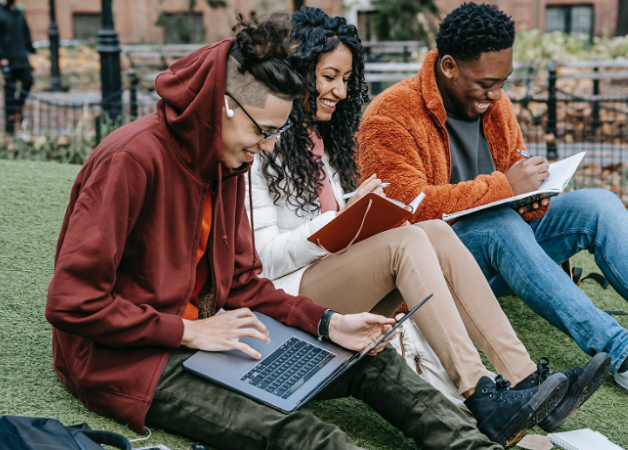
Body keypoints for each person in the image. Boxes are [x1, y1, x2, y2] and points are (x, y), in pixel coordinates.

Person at [45, 14, 506, 450]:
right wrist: (188, 331)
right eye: (262, 130)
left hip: (218, 336)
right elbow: (71, 302)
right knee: (306, 436)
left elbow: (245, 283)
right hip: (130, 362)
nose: (265, 147)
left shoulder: (227, 161)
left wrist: (329, 323)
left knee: (371, 357)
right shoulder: (129, 160)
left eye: (276, 131)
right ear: (223, 108)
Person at [357, 2, 628, 422]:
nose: (495, 95)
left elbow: (512, 168)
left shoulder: (494, 103)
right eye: (486, 83)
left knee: (598, 204)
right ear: (449, 66)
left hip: (506, 245)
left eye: (502, 83)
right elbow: (401, 213)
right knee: (497, 224)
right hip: (441, 266)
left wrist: (531, 196)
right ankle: (627, 358)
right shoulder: (390, 115)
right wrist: (505, 188)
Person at [246, 8, 609, 448]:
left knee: (434, 232)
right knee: (407, 241)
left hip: (333, 273)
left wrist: (360, 214)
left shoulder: (329, 140)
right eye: (328, 77)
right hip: (287, 297)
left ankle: (522, 379)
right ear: (298, 71)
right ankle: (480, 393)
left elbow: (341, 224)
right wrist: (342, 219)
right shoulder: (257, 143)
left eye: (345, 79)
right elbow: (262, 259)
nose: (339, 91)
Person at [0, 0, 35, 134]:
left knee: (28, 81)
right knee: (9, 91)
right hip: (7, 59)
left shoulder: (18, 13)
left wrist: (32, 51)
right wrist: (1, 57)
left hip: (21, 58)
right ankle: (9, 128)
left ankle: (16, 109)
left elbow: (26, 34)